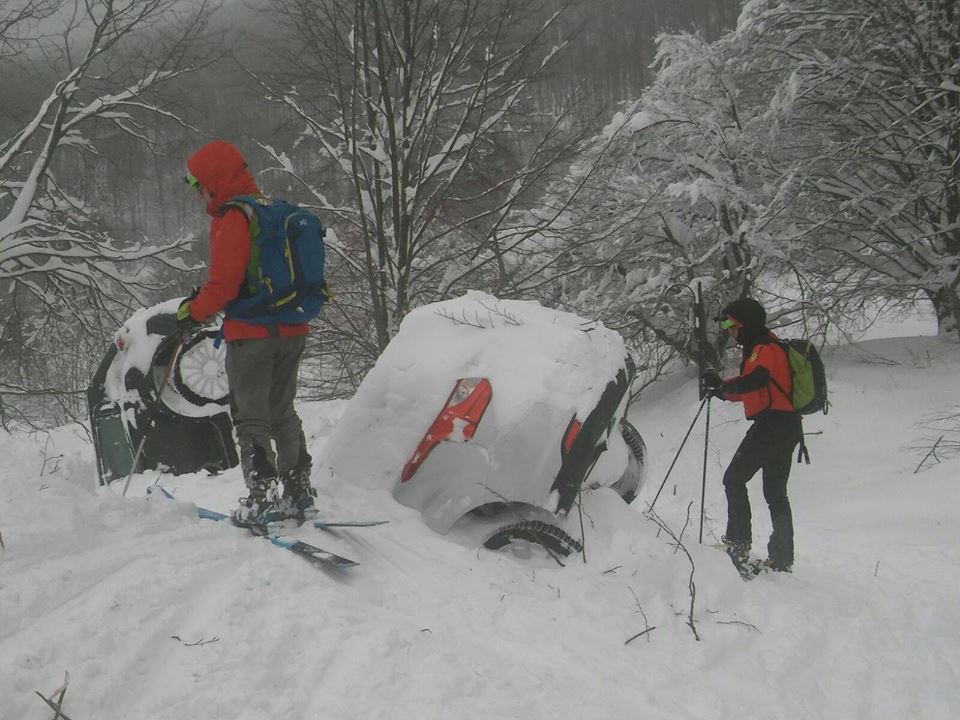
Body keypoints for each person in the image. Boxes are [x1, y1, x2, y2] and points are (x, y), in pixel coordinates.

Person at [177, 139, 317, 526]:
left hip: (252, 335)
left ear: (214, 180)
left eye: (198, 185)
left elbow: (224, 284)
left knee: (251, 417)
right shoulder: (272, 211)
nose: (198, 194)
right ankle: (298, 492)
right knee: (283, 411)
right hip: (293, 329)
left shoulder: (233, 217)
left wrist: (192, 312)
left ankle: (262, 498)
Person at [700, 297, 801, 574]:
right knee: (776, 493)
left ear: (745, 324)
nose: (730, 330)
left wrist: (723, 386)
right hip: (786, 425)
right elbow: (756, 388)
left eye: (733, 324)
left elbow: (756, 380)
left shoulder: (764, 348)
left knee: (733, 479)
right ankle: (782, 558)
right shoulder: (766, 345)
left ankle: (738, 546)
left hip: (773, 426)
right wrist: (723, 390)